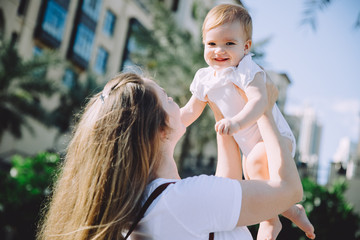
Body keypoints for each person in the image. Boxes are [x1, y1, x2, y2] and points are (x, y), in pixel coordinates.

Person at [38, 72, 306, 240]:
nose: (176, 101)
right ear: (161, 130)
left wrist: (219, 110)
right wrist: (265, 109)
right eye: (167, 98)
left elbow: (223, 190)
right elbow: (290, 190)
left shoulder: (145, 206)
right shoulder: (185, 200)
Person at [180, 4, 315, 239]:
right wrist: (167, 122)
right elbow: (190, 111)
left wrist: (237, 123)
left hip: (275, 139)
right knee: (255, 184)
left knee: (254, 168)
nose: (219, 50)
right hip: (249, 147)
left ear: (246, 46)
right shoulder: (204, 78)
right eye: (211, 44)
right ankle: (281, 216)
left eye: (229, 43)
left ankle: (278, 217)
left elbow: (259, 101)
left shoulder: (246, 69)